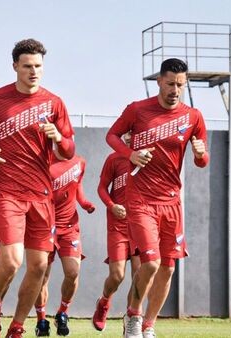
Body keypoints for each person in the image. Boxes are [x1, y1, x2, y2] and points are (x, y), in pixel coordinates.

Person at [0, 38, 76, 338]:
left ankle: (17, 326)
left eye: (38, 66)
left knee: (39, 267)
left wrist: (58, 138)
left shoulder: (54, 103)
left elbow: (69, 150)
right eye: (27, 66)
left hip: (42, 196)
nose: (33, 71)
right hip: (8, 192)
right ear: (15, 66)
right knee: (12, 260)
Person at [106, 58, 209, 338]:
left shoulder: (193, 117)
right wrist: (131, 154)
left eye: (180, 85)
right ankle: (133, 317)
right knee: (150, 262)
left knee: (167, 268)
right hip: (140, 199)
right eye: (170, 83)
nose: (175, 89)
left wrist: (200, 153)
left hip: (172, 202)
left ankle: (149, 325)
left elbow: (203, 161)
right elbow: (112, 136)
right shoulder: (138, 110)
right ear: (159, 82)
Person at [33, 154, 95, 337]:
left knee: (73, 271)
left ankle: (63, 313)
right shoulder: (44, 162)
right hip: (45, 226)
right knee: (41, 276)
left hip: (69, 227)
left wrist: (84, 203)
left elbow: (78, 186)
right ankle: (41, 320)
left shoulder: (79, 162)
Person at [92, 132, 141, 332]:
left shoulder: (147, 157)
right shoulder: (113, 159)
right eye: (127, 133)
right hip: (118, 224)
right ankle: (104, 302)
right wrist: (112, 205)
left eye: (134, 133)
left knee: (140, 275)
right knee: (117, 275)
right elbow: (102, 188)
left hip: (140, 224)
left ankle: (131, 319)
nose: (130, 137)